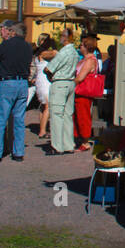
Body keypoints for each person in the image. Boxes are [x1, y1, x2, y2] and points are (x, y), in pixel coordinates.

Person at [0, 20, 33, 163]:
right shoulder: (28, 47)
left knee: (1, 119)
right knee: (19, 120)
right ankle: (18, 152)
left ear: (13, 32)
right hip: (23, 83)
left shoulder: (7, 44)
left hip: (8, 82)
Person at [43, 27, 79, 155]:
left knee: (57, 114)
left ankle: (57, 146)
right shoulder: (75, 52)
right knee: (68, 115)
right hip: (70, 83)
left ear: (65, 37)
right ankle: (68, 144)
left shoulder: (63, 52)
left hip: (60, 83)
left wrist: (48, 74)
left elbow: (49, 69)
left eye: (62, 36)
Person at [73, 35, 100, 152]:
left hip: (83, 92)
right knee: (78, 116)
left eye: (82, 45)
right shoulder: (85, 59)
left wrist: (69, 83)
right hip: (79, 92)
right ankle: (80, 139)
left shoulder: (89, 61)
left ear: (86, 46)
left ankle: (85, 141)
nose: (80, 47)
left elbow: (80, 77)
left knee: (83, 116)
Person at [32, 35, 57, 139]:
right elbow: (56, 53)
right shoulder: (44, 54)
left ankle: (42, 128)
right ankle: (42, 131)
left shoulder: (38, 53)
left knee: (43, 106)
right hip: (44, 81)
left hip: (40, 81)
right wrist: (54, 45)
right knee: (48, 106)